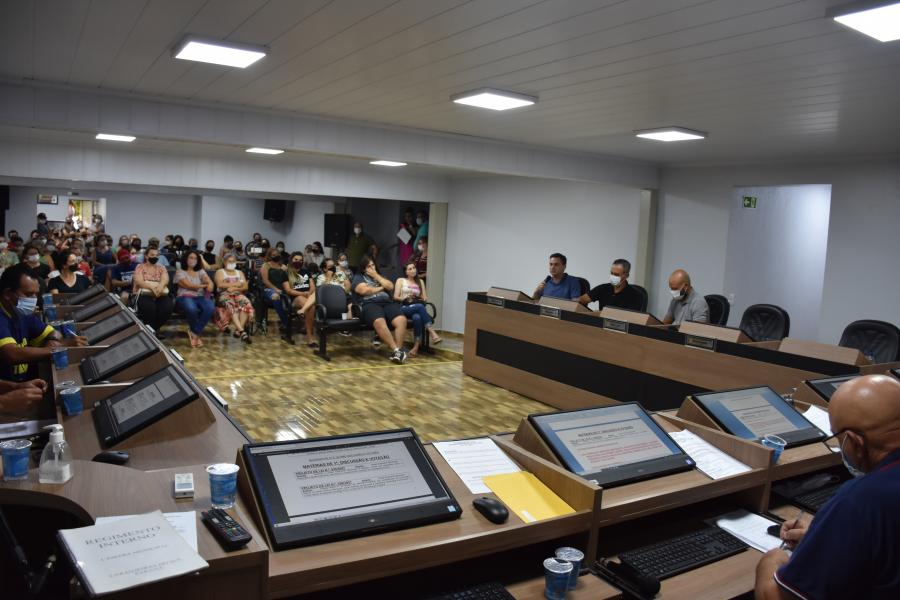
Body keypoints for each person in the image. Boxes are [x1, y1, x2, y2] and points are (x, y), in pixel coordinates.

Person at [755, 374, 900, 600]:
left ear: (854, 441)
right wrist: (826, 538)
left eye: (838, 437)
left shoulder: (861, 500)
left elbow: (776, 597)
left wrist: (770, 562)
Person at [0, 264, 87, 381]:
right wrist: (58, 348)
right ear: (7, 294)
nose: (34, 299)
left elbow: (54, 333)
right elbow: (12, 354)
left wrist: (52, 342)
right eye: (28, 294)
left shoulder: (23, 315)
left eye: (36, 294)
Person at [352, 256, 408, 364]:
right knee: (379, 321)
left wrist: (376, 275)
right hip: (369, 303)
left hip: (387, 302)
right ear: (364, 269)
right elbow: (365, 291)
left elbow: (390, 286)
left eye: (373, 265)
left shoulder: (380, 276)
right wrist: (382, 288)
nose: (372, 268)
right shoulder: (358, 277)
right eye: (369, 266)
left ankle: (398, 352)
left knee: (401, 320)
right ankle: (396, 350)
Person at [394, 261, 441, 357]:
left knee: (417, 318)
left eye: (414, 268)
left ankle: (415, 347)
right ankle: (431, 332)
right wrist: (405, 297)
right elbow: (395, 297)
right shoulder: (401, 280)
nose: (413, 270)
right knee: (420, 307)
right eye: (410, 269)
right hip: (404, 307)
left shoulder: (420, 281)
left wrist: (417, 296)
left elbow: (425, 298)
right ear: (406, 272)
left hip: (416, 306)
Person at [174, 250, 215, 348]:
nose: (193, 260)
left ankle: (194, 332)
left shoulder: (200, 271)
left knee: (210, 308)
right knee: (191, 309)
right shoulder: (180, 272)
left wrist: (210, 284)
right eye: (191, 258)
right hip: (185, 296)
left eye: (196, 258)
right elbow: (190, 286)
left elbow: (209, 283)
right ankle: (195, 334)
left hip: (201, 296)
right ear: (186, 259)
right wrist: (205, 285)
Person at [133, 247, 173, 337]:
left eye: (157, 255)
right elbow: (139, 281)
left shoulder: (161, 268)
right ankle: (152, 331)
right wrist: (152, 288)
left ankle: (152, 329)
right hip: (143, 293)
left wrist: (160, 287)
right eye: (152, 255)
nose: (155, 257)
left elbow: (165, 279)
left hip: (160, 292)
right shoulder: (140, 267)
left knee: (167, 307)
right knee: (149, 307)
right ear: (146, 256)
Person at [213, 254, 253, 343]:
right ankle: (242, 332)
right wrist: (237, 284)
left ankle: (238, 330)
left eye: (233, 261)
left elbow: (245, 287)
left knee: (246, 303)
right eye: (229, 261)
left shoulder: (240, 272)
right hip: (224, 295)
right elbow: (220, 285)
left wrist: (234, 288)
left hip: (238, 294)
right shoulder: (220, 272)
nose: (232, 263)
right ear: (224, 262)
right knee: (231, 305)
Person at [578, 259, 643, 311]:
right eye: (612, 273)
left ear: (626, 275)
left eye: (616, 274)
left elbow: (631, 317)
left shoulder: (635, 295)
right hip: (600, 322)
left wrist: (600, 313)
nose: (613, 276)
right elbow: (580, 300)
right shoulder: (603, 288)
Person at [259, 247, 292, 343]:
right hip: (269, 289)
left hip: (283, 289)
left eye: (277, 254)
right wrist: (275, 289)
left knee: (289, 299)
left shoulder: (283, 266)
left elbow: (288, 279)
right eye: (273, 255)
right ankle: (286, 323)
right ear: (269, 256)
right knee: (276, 297)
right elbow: (265, 281)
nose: (276, 256)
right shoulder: (266, 265)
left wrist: (286, 270)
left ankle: (288, 323)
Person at [284, 252, 317, 347]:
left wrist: (309, 294)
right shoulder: (286, 273)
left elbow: (312, 286)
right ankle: (310, 337)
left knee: (313, 300)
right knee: (311, 306)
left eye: (301, 260)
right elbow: (288, 290)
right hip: (295, 298)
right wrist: (303, 293)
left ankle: (303, 312)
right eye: (296, 259)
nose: (298, 262)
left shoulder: (306, 272)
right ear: (291, 260)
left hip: (308, 296)